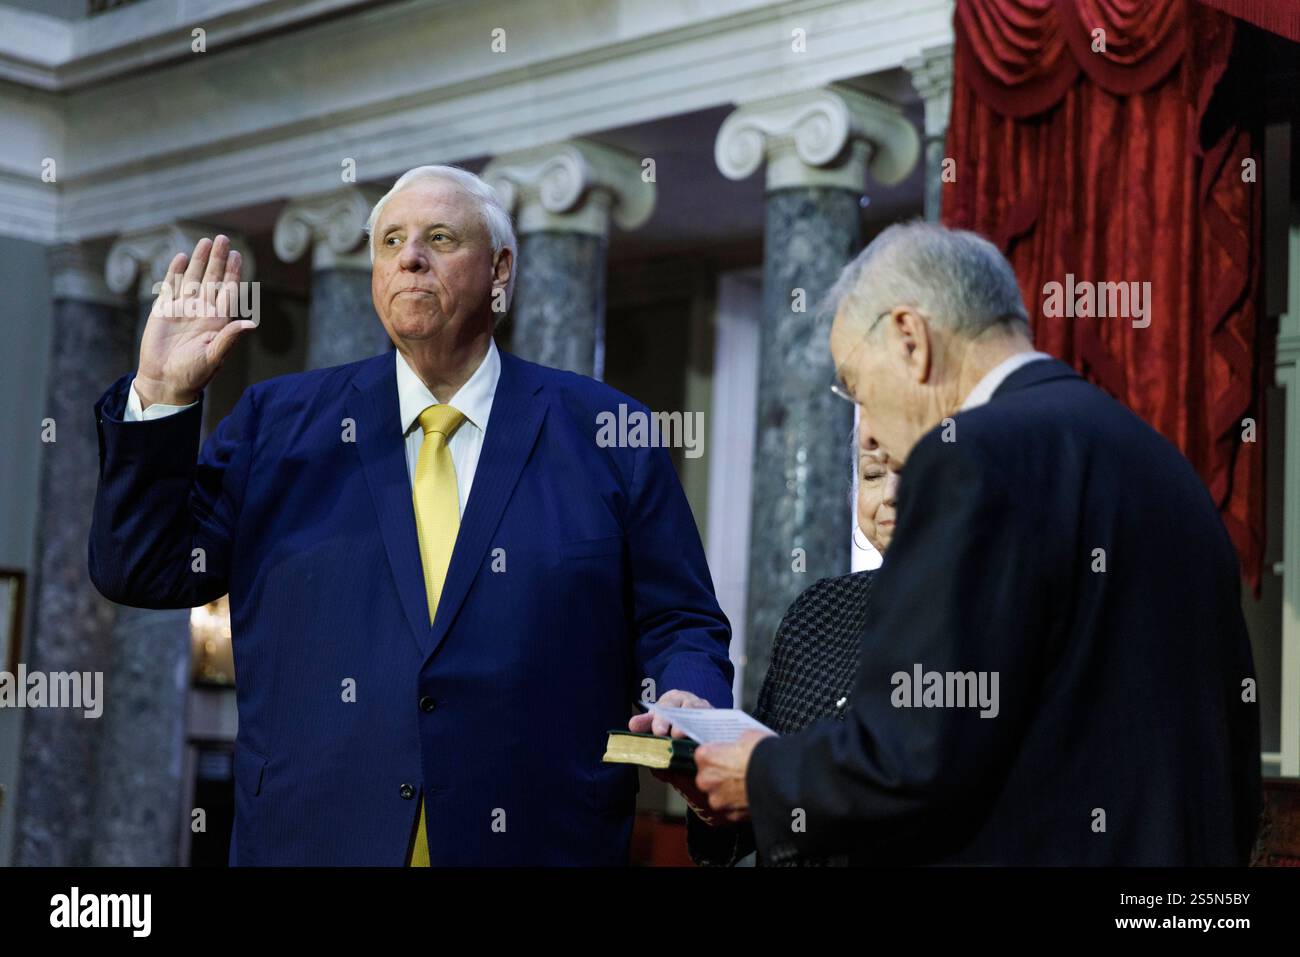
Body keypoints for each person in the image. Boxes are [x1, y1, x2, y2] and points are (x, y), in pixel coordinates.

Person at [87, 165, 733, 866]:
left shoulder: (609, 433)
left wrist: (689, 694)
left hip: (536, 839)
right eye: (391, 240)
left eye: (440, 237)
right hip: (313, 840)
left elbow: (681, 619)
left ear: (500, 270)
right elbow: (143, 568)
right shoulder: (279, 425)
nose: (410, 257)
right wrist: (160, 395)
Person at [691, 221, 1261, 865]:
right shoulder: (1166, 466)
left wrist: (760, 776)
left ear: (910, 339)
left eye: (856, 388)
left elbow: (912, 755)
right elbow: (1232, 759)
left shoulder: (968, 457)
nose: (866, 425)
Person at [684, 439, 899, 866]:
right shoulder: (817, 611)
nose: (891, 493)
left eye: (912, 469)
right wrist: (703, 772)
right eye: (873, 475)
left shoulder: (991, 620)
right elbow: (749, 821)